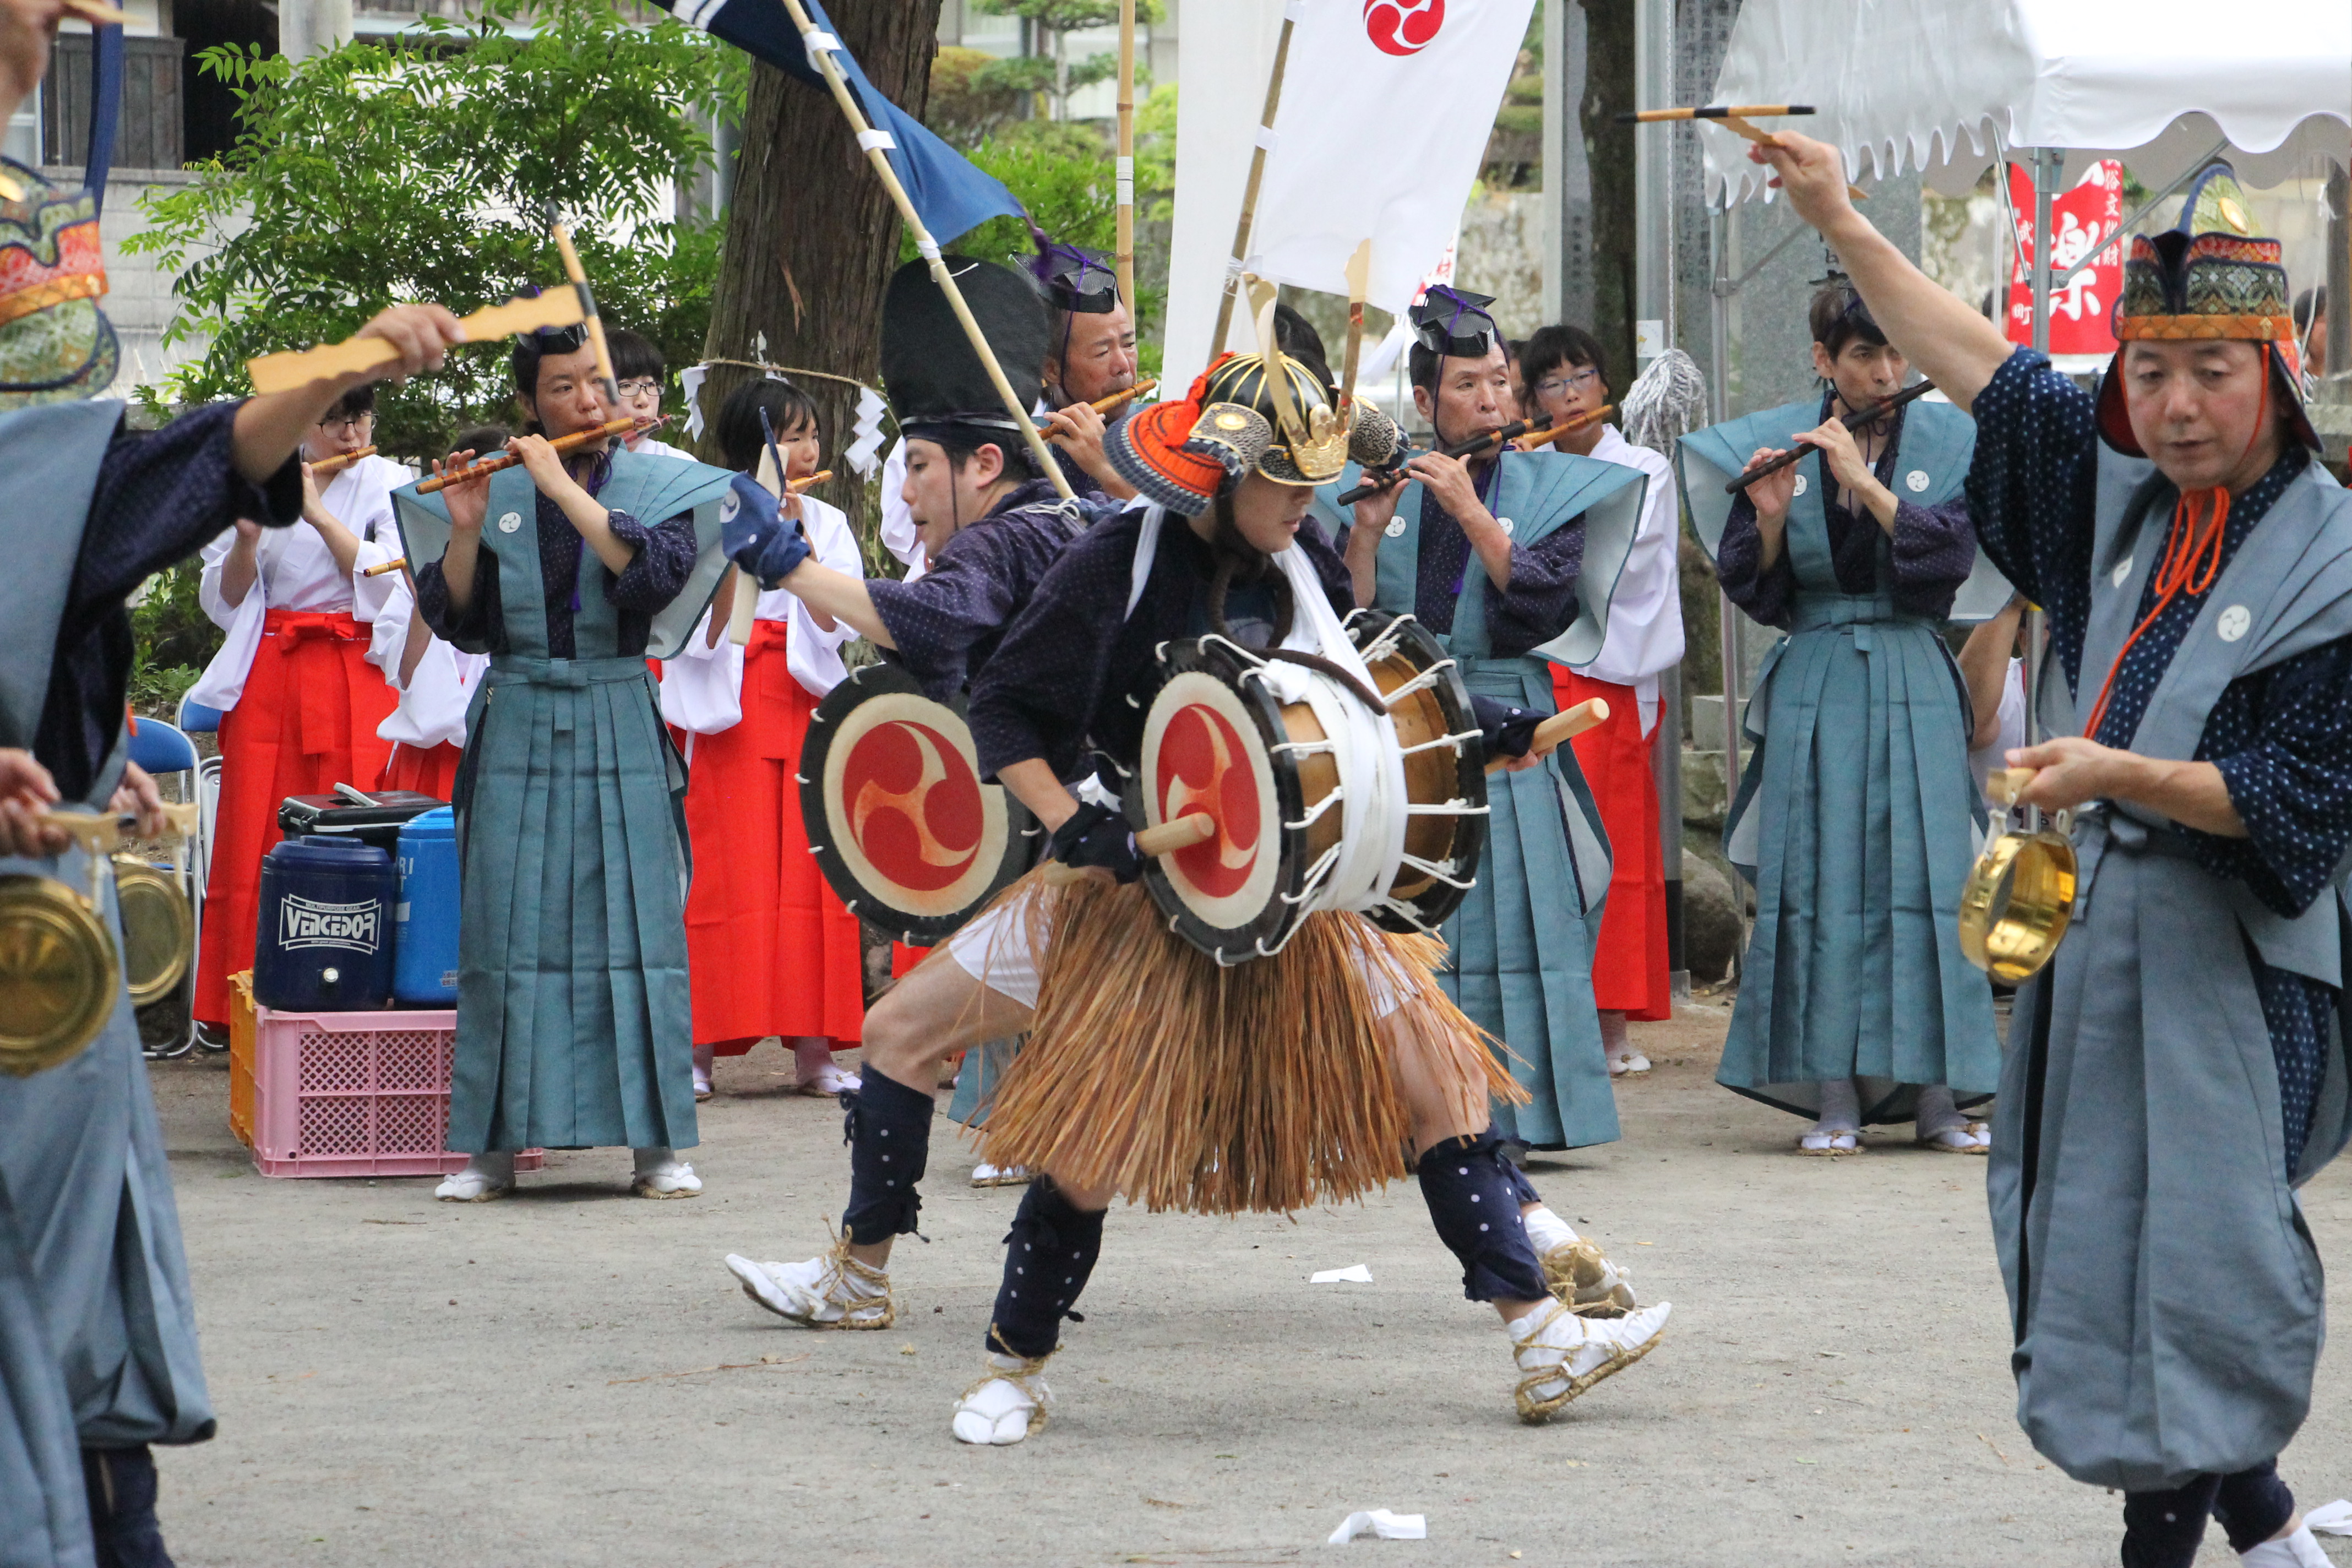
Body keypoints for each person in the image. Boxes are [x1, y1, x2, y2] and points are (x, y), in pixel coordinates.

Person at [718, 341, 1669, 1444]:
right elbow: (1008, 714)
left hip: (1287, 887)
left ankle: (1541, 1333)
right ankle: (1006, 1362)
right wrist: (1077, 820)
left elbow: (1345, 684)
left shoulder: (1297, 552)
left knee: (1440, 1089)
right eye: (1289, 480)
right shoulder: (1115, 559)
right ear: (1224, 474)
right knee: (1073, 1134)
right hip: (1134, 889)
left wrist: (1469, 728)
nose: (1309, 503)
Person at [1761, 130, 2352, 1568]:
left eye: (2214, 371)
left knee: (2191, 1269)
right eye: (2149, 371)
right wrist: (1839, 214)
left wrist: (2118, 774)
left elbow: (2297, 802)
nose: (2179, 403)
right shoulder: (2121, 503)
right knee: (2105, 1251)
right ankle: (2271, 1533)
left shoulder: (2333, 555)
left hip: (2240, 977)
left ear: (2278, 371)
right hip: (2100, 959)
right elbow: (1983, 362)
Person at [0, 0, 466, 1548]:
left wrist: (74, 763)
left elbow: (144, 489)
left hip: (43, 889)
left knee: (76, 1325)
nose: (74, 14)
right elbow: (155, 497)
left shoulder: (58, 464)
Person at [728, 255, 1099, 1183]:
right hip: (1087, 836)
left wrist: (792, 570)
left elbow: (939, 617)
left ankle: (866, 1270)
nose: (904, 494)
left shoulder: (1009, 536)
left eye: (920, 467)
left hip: (1084, 840)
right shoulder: (1071, 519)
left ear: (984, 464)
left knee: (896, 1027)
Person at [400, 324, 737, 1203]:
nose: (588, 402)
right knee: (505, 928)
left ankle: (657, 1148)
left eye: (599, 384)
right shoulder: (496, 488)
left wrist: (561, 485)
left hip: (618, 705)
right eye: (564, 388)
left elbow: (654, 577)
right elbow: (458, 618)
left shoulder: (658, 480)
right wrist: (468, 530)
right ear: (531, 404)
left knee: (640, 925)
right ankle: (490, 1150)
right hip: (516, 710)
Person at [1313, 285, 1648, 1160]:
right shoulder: (1378, 485)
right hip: (1408, 724)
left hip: (1513, 720)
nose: (1494, 400)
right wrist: (1367, 534)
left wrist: (1468, 509)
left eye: (1501, 381)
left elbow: (1543, 603)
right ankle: (1402, 1112)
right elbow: (1345, 622)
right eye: (1469, 386)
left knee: (1525, 913)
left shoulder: (1554, 484)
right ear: (1424, 403)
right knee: (1412, 920)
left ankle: (1524, 1115)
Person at [1676, 277, 2001, 1156]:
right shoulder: (1776, 442)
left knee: (1930, 880)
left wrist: (1863, 480)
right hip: (1817, 669)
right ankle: (1833, 1095)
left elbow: (1947, 564)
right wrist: (1773, 521)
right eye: (1865, 355)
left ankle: (1939, 1094)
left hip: (1912, 663)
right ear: (1825, 361)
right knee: (1819, 879)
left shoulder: (1949, 437)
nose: (1888, 370)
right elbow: (1755, 586)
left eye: (1898, 351)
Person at [660, 376, 864, 1103]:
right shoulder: (703, 513)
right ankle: (698, 1048)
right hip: (731, 701)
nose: (810, 448)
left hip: (804, 698)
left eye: (813, 434)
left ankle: (815, 1048)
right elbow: (691, 626)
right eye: (795, 435)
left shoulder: (830, 520)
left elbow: (841, 620)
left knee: (813, 877)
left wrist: (796, 547)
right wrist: (739, 550)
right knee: (726, 875)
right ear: (757, 445)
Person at [188, 381, 406, 1034]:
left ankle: (370, 998)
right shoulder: (259, 478)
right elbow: (227, 602)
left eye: (360, 418)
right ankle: (245, 1000)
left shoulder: (390, 480)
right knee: (257, 825)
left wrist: (316, 513)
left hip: (357, 667)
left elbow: (394, 578)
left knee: (360, 823)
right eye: (333, 421)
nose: (350, 434)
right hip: (275, 667)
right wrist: (250, 539)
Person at [1523, 324, 1686, 1072]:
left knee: (1609, 851)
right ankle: (1546, 1021)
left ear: (1603, 381)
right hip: (1538, 666)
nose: (1570, 394)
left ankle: (1612, 1027)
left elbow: (1624, 566)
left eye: (1581, 375)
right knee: (1543, 850)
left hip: (1609, 674)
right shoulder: (1526, 465)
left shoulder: (1644, 468)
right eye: (1551, 383)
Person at [875, 235, 1136, 569]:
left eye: (1128, 344)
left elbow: (1172, 542)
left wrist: (1106, 469)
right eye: (1102, 351)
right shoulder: (1007, 436)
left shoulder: (1164, 436)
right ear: (1051, 368)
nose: (1123, 365)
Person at [357, 422, 506, 801]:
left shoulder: (528, 561)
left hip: (508, 755)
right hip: (428, 760)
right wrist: (427, 596)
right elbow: (404, 674)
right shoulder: (422, 563)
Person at [1958, 592, 2029, 805]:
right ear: (2025, 641)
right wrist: (2012, 600)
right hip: (1998, 835)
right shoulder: (2006, 689)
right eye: (2053, 630)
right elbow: (1968, 723)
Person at [608, 327, 694, 461]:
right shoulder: (566, 465)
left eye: (650, 385)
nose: (643, 401)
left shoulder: (679, 464)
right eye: (626, 386)